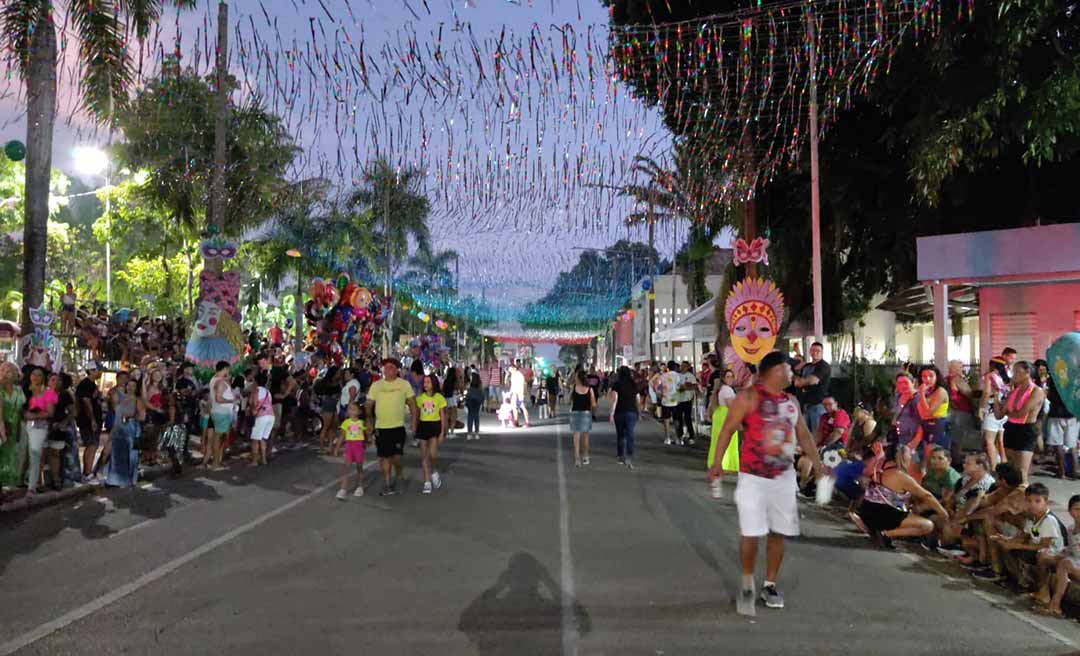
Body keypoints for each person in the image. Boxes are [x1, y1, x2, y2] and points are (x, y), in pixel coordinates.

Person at [707, 351, 826, 615]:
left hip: (784, 478)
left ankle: (770, 584)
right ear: (774, 371)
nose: (793, 373)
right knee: (751, 532)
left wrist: (818, 466)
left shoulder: (792, 401)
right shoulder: (747, 398)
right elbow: (727, 429)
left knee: (778, 532)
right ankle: (748, 581)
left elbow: (804, 436)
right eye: (788, 368)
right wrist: (717, 464)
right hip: (752, 477)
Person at [850, 441, 949, 550]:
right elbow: (927, 496)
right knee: (928, 525)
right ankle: (886, 533)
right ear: (901, 456)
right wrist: (942, 512)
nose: (911, 456)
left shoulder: (879, 467)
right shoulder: (900, 476)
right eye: (909, 454)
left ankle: (877, 530)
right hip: (882, 515)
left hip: (867, 511)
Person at [979, 483, 1064, 587]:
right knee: (1004, 545)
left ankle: (1027, 584)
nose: (1032, 504)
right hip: (1037, 549)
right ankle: (1015, 578)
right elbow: (1023, 536)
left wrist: (1015, 545)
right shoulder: (1032, 517)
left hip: (1050, 553)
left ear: (1046, 502)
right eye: (1029, 501)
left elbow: (1044, 546)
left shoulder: (1048, 520)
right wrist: (1006, 539)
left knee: (1015, 550)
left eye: (1037, 501)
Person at [366, 358, 418, 496]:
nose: (387, 370)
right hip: (381, 428)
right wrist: (369, 421)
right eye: (385, 367)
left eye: (391, 367)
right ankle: (387, 484)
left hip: (397, 427)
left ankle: (399, 474)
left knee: (396, 457)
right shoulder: (376, 385)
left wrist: (414, 422)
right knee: (385, 457)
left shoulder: (404, 384)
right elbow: (368, 404)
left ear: (396, 370)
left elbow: (412, 404)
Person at [993, 361, 1045, 485]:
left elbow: (1021, 413)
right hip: (1011, 428)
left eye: (1017, 372)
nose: (1013, 375)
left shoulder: (1036, 391)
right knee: (1011, 470)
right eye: (1013, 372)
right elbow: (999, 415)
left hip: (1026, 430)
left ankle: (1023, 497)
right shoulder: (1013, 392)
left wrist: (1007, 412)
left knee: (1021, 472)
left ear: (1027, 373)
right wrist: (995, 399)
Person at [1038, 494, 1080, 617]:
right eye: (1076, 509)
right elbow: (1069, 550)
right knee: (1043, 557)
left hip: (1072, 565)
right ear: (1070, 511)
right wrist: (1053, 555)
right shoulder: (1071, 529)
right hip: (1073, 563)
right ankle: (1042, 594)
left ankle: (1055, 605)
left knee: (1064, 564)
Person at [23, 367, 57, 494]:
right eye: (33, 374)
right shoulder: (25, 390)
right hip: (23, 426)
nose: (36, 377)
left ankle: (31, 486)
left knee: (35, 454)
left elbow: (50, 412)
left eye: (39, 375)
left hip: (39, 427)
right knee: (23, 455)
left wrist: (34, 416)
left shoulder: (48, 392)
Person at [706, 369, 740, 498]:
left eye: (732, 376)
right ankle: (723, 464)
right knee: (726, 441)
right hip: (726, 416)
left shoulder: (725, 389)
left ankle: (720, 463)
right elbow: (732, 405)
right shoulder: (727, 390)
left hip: (722, 415)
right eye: (727, 376)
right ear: (723, 378)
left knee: (721, 440)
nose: (730, 378)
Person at [980, 351, 1014, 467]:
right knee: (1000, 440)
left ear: (992, 365)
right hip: (1004, 412)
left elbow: (986, 393)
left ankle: (994, 468)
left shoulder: (989, 376)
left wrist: (980, 408)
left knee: (989, 441)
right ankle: (1003, 463)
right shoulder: (1008, 378)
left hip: (991, 411)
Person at [106, 378, 142, 487]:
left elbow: (142, 416)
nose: (130, 388)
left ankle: (130, 479)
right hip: (119, 428)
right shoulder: (119, 398)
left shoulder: (138, 400)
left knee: (132, 456)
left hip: (133, 428)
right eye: (129, 385)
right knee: (117, 454)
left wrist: (131, 416)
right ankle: (115, 480)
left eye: (133, 386)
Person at [415, 374, 447, 495]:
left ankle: (434, 471)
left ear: (433, 384)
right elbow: (417, 413)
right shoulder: (420, 398)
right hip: (423, 426)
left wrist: (442, 432)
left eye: (428, 382)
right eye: (424, 382)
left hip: (435, 426)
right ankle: (427, 481)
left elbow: (443, 416)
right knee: (424, 455)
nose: (426, 384)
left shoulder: (439, 397)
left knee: (433, 454)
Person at [915, 365, 950, 468]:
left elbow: (928, 412)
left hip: (937, 425)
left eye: (931, 376)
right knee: (926, 456)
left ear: (937, 377)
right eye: (924, 376)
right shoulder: (927, 392)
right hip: (925, 425)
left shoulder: (940, 391)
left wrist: (921, 393)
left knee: (934, 455)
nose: (927, 379)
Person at [1044, 372, 1078, 480]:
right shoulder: (1076, 379)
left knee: (1058, 444)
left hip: (1056, 414)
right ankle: (1074, 472)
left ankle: (1061, 473)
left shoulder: (1055, 379)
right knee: (1072, 446)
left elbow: (1049, 396)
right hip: (1073, 415)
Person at [792, 342, 831, 434]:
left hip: (818, 405)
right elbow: (795, 375)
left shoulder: (824, 366)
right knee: (805, 435)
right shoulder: (807, 366)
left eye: (818, 351)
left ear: (822, 352)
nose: (815, 352)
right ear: (810, 351)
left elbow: (813, 380)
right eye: (813, 350)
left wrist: (799, 381)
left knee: (817, 434)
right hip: (804, 405)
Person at [336, 402, 371, 500]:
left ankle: (360, 486)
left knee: (359, 468)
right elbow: (342, 436)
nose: (351, 411)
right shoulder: (346, 422)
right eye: (349, 409)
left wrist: (369, 438)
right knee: (346, 467)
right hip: (349, 447)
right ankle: (343, 489)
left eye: (354, 409)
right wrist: (337, 448)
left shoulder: (361, 422)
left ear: (359, 412)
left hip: (358, 447)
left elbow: (366, 433)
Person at [891, 371, 923, 475]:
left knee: (914, 467)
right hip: (901, 438)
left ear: (913, 382)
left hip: (913, 439)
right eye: (899, 383)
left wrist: (915, 441)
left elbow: (922, 422)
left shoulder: (917, 398)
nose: (902, 386)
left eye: (905, 382)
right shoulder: (898, 397)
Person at [204, 361, 235, 470]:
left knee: (219, 438)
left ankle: (218, 461)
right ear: (224, 369)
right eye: (227, 369)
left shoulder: (215, 380)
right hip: (221, 413)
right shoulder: (220, 382)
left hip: (217, 412)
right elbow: (219, 398)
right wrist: (231, 400)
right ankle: (215, 463)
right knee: (218, 439)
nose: (228, 371)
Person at [0, 362, 26, 489]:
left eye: (9, 371)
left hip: (15, 426)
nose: (6, 373)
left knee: (12, 456)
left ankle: (8, 487)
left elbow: (21, 411)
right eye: (3, 370)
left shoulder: (19, 390)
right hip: (2, 426)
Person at [76, 363, 104, 481]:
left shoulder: (92, 384)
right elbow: (86, 402)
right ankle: (87, 472)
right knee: (91, 444)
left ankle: (88, 470)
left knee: (93, 444)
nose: (100, 373)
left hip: (93, 419)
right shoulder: (86, 384)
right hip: (87, 420)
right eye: (98, 370)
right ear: (91, 371)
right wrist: (92, 419)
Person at [609, 366, 639, 469]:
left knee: (620, 434)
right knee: (630, 433)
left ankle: (620, 455)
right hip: (632, 412)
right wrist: (638, 411)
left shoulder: (616, 384)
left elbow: (614, 399)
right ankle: (629, 455)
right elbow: (637, 399)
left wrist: (612, 413)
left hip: (619, 412)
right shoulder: (633, 384)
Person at [569, 369, 595, 467]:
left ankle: (577, 458)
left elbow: (571, 401)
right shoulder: (589, 389)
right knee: (585, 436)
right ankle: (586, 456)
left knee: (576, 436)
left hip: (575, 413)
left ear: (578, 378)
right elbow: (593, 403)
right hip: (586, 413)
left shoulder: (574, 388)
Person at [249, 371, 274, 466]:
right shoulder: (268, 392)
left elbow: (254, 404)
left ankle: (254, 461)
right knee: (263, 438)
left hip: (261, 416)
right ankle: (263, 459)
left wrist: (251, 408)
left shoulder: (256, 390)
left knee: (255, 439)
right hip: (270, 415)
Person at [315, 366, 341, 454]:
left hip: (334, 405)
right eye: (337, 372)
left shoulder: (338, 382)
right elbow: (318, 391)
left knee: (333, 426)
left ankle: (330, 445)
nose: (339, 374)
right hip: (328, 404)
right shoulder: (325, 382)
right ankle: (322, 447)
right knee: (326, 426)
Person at [658, 361, 682, 445]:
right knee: (676, 420)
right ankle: (677, 438)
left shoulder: (663, 376)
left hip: (665, 400)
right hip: (676, 400)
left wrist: (661, 395)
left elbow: (659, 388)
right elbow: (680, 387)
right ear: (675, 367)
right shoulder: (678, 376)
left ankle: (667, 438)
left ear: (667, 367)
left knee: (666, 420)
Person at [676, 361, 698, 446]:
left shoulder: (691, 376)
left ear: (688, 367)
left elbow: (694, 386)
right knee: (679, 419)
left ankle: (691, 436)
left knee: (687, 418)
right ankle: (680, 435)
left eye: (684, 366)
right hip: (678, 400)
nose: (682, 367)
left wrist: (686, 387)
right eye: (682, 366)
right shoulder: (677, 376)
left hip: (687, 400)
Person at [508, 362, 531, 428]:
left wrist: (521, 393)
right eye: (509, 370)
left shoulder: (519, 375)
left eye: (511, 370)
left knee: (523, 407)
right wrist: (511, 394)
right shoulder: (513, 375)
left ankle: (527, 422)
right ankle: (516, 421)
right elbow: (512, 386)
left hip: (519, 394)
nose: (510, 371)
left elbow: (523, 385)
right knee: (514, 407)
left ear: (515, 368)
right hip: (514, 394)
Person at [464, 372, 484, 441]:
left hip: (470, 403)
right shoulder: (479, 387)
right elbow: (482, 396)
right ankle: (476, 433)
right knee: (476, 417)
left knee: (470, 418)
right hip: (477, 403)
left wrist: (465, 403)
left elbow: (467, 396)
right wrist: (482, 403)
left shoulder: (470, 387)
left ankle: (469, 433)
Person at [442, 367, 460, 438]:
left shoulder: (446, 381)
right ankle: (452, 432)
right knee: (453, 416)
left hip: (446, 399)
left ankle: (446, 432)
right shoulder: (455, 380)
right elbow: (458, 388)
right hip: (453, 398)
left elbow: (443, 390)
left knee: (446, 416)